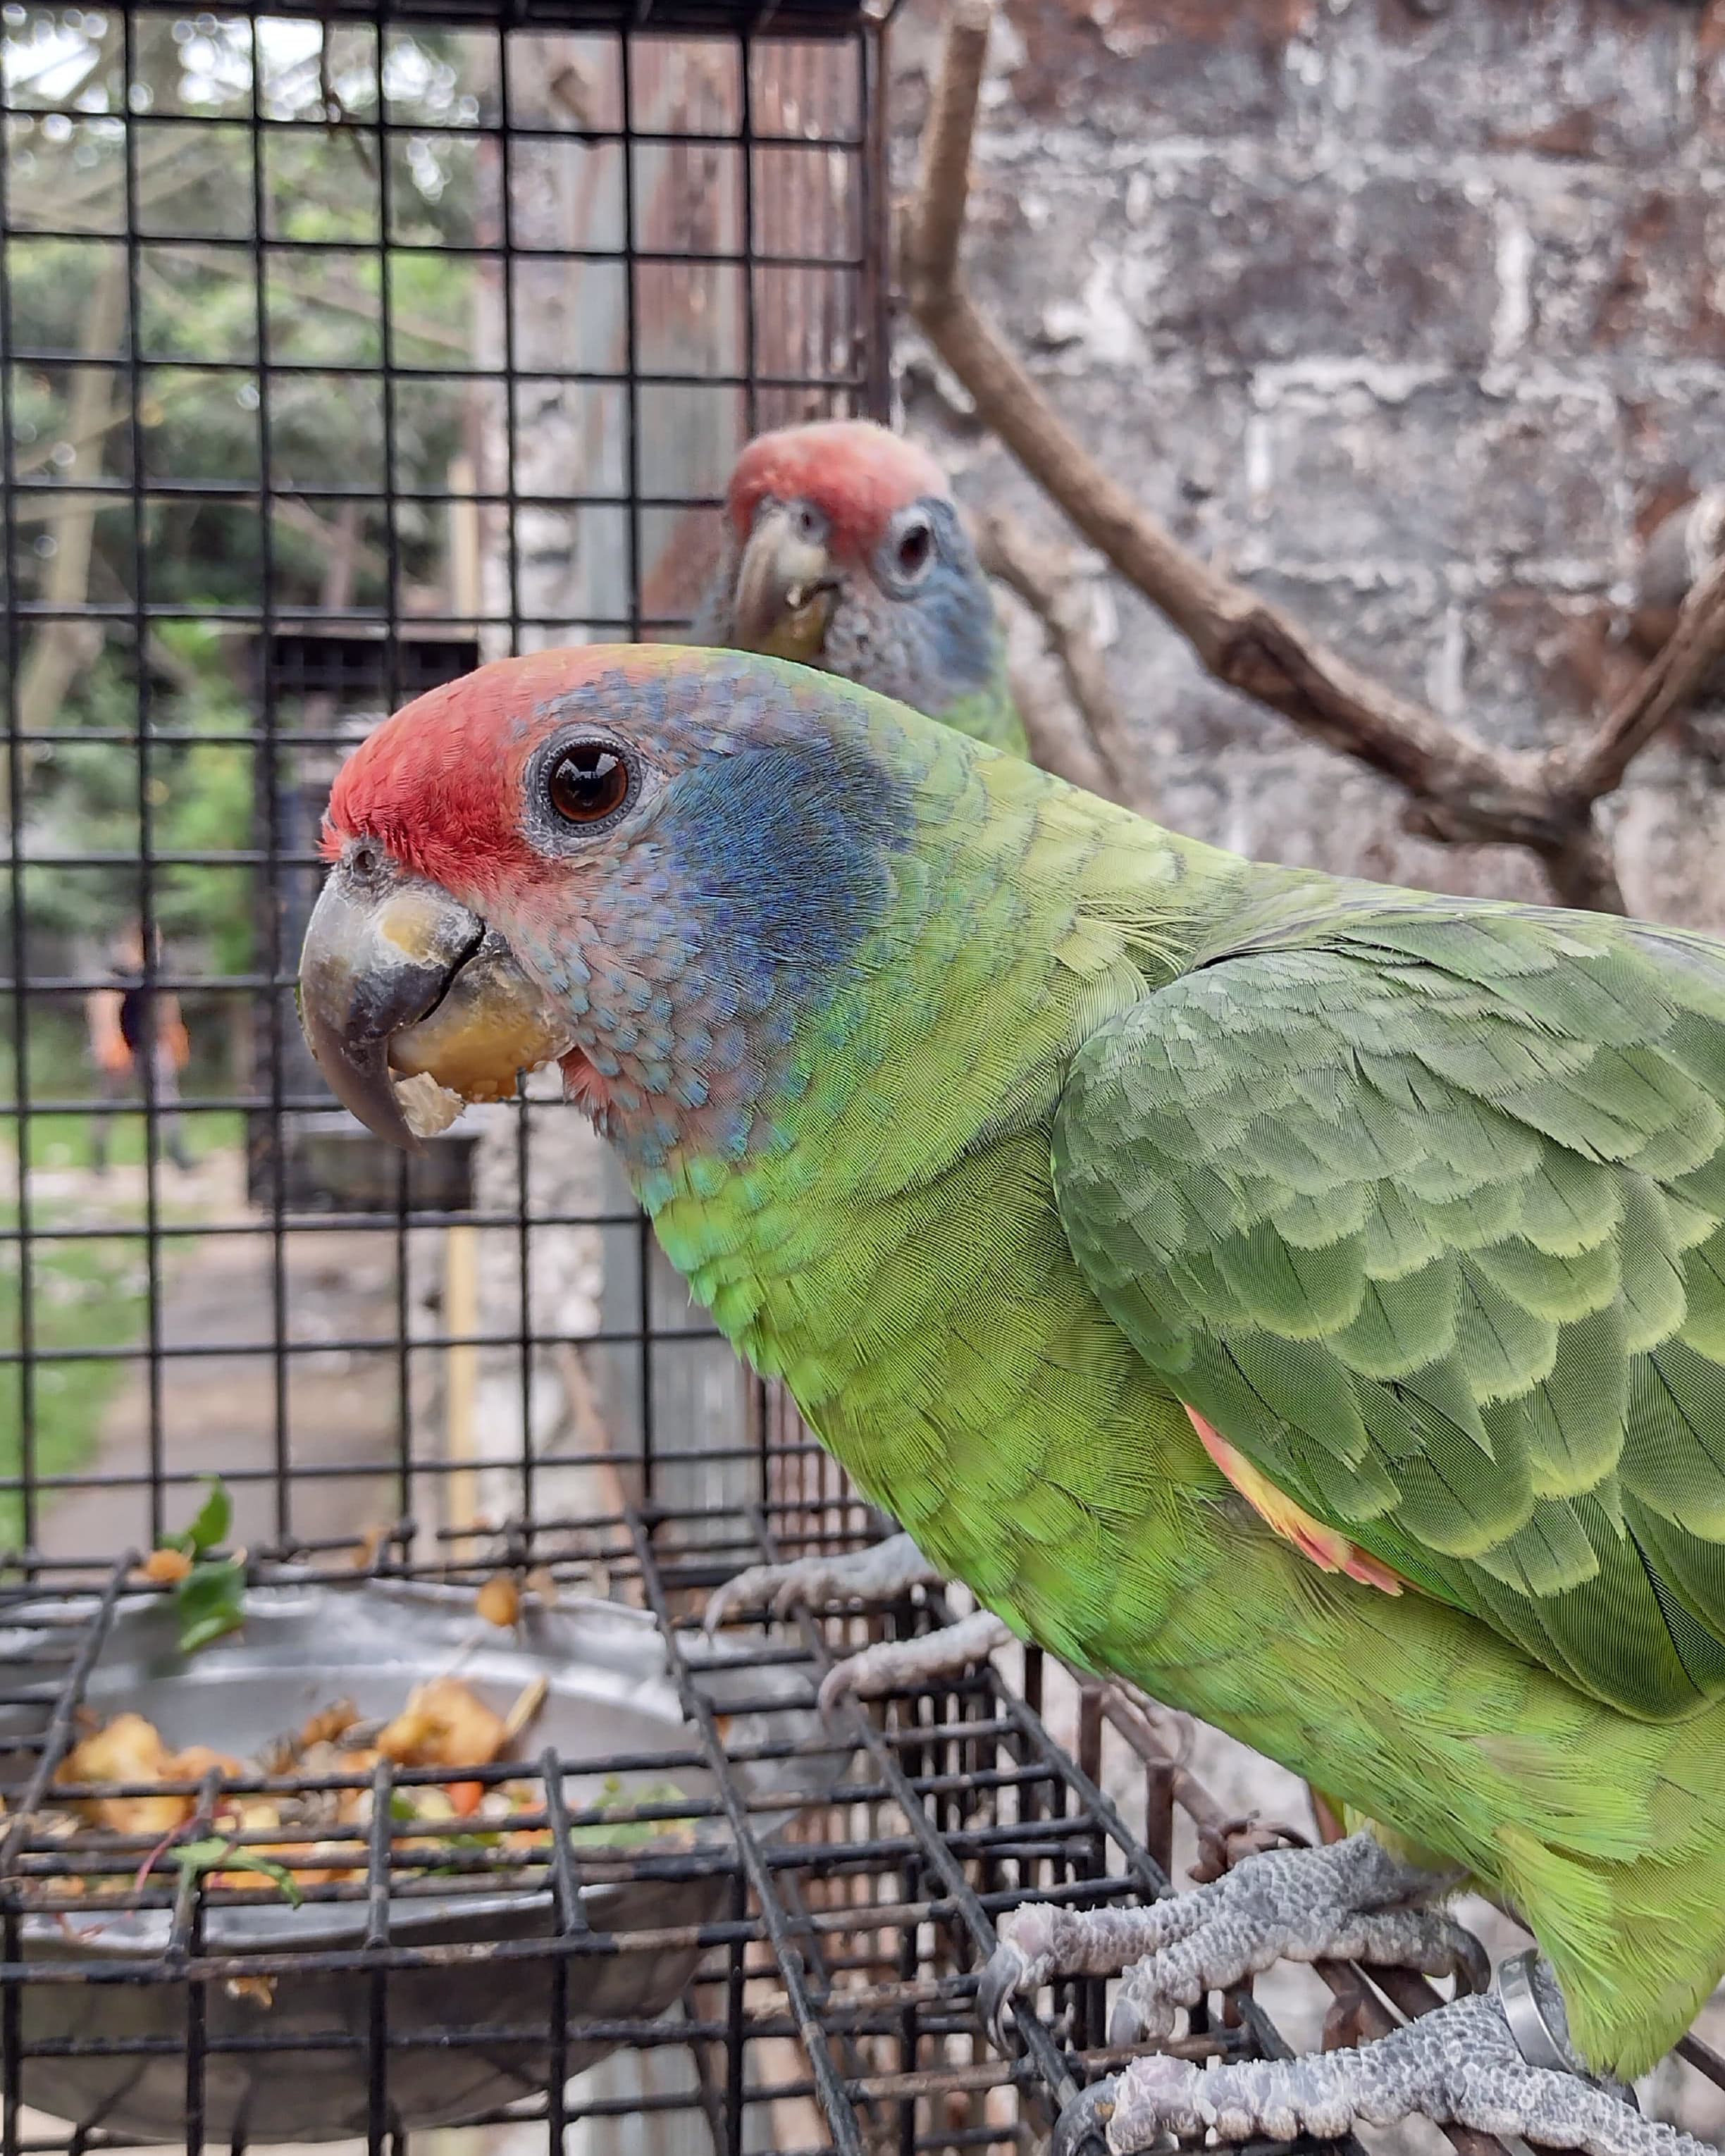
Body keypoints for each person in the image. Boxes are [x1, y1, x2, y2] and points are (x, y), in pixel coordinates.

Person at [86, 922, 192, 1174]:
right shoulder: (118, 969)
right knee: (110, 1100)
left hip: (152, 1042)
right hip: (123, 1041)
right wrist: (110, 1040)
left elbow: (167, 999)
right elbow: (103, 1004)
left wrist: (174, 1030)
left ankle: (179, 1155)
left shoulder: (158, 969)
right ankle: (98, 1157)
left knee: (167, 1097)